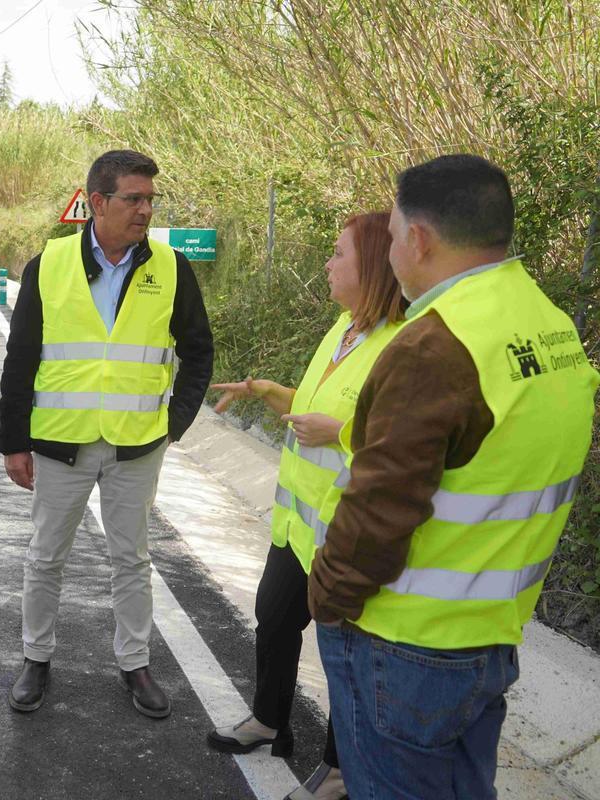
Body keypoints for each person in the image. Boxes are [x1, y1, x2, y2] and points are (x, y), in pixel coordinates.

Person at [309, 154, 599, 799]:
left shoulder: (434, 346)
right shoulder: (551, 327)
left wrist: (327, 597)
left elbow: (381, 504)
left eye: (393, 236)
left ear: (418, 238)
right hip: (490, 634)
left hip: (403, 639)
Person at [0, 149, 214, 717]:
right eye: (133, 199)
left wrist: (176, 422)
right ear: (97, 202)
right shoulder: (47, 264)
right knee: (45, 557)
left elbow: (199, 352)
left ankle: (135, 665)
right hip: (59, 441)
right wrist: (14, 443)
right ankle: (36, 658)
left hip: (136, 444)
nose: (145, 209)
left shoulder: (170, 268)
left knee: (132, 558)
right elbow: (19, 358)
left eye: (150, 200)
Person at [205, 212, 406, 800]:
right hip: (297, 526)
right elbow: (315, 410)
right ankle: (270, 721)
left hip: (347, 534)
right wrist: (275, 394)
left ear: (370, 266)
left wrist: (342, 432)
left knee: (344, 654)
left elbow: (404, 439)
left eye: (338, 254)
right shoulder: (342, 328)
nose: (328, 264)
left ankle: (340, 770)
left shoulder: (403, 344)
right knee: (274, 619)